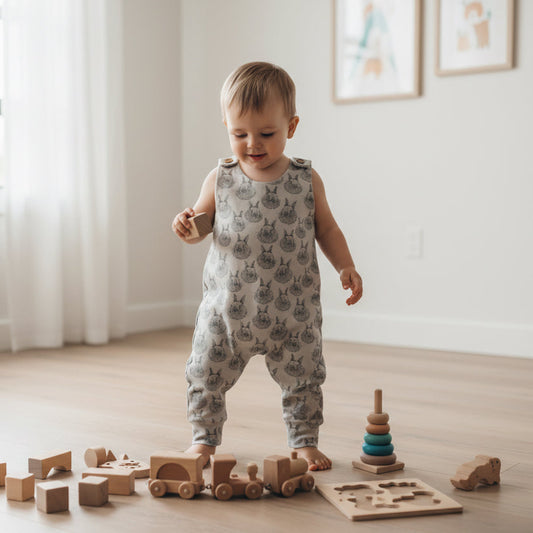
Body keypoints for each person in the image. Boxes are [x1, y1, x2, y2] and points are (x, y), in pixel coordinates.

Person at [172, 61, 362, 471]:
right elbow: (204, 223)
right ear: (226, 124)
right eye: (239, 134)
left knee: (306, 376)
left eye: (266, 133)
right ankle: (203, 440)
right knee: (204, 370)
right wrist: (189, 226)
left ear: (291, 127)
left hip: (292, 312)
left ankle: (304, 441)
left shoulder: (305, 180)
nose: (252, 144)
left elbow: (326, 229)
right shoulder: (219, 179)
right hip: (227, 310)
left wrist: (345, 266)